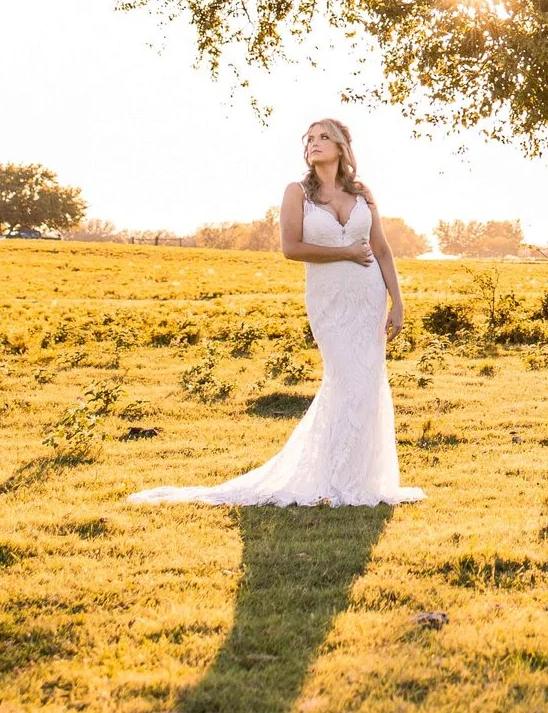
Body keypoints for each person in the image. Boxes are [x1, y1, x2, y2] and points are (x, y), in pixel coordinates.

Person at [128, 118, 423, 507]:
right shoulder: (296, 192)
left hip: (368, 299)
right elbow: (291, 247)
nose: (315, 144)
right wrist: (345, 252)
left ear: (341, 147)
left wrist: (397, 301)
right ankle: (331, 480)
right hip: (330, 303)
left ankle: (359, 479)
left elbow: (382, 250)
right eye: (310, 139)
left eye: (324, 138)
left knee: (367, 383)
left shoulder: (363, 193)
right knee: (344, 378)